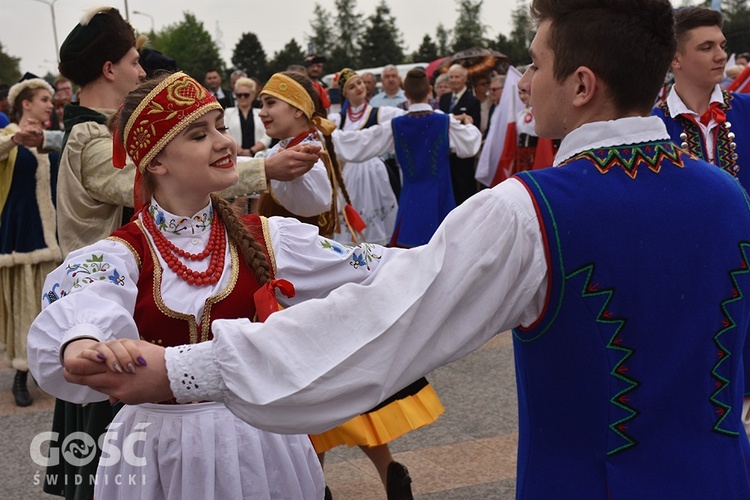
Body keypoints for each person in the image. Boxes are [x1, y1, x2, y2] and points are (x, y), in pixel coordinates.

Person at [60, 0, 750, 497]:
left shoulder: (534, 211)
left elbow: (379, 326)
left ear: (580, 83)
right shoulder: (729, 197)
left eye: (535, 64)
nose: (523, 83)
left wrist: (184, 371)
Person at [26, 70, 406, 499]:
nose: (225, 142)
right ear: (156, 162)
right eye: (199, 135)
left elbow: (376, 267)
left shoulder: (270, 238)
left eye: (221, 127)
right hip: (161, 452)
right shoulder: (121, 254)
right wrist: (82, 341)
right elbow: (83, 300)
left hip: (263, 444)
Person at [50, 7, 321, 499]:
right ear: (110, 68)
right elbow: (142, 183)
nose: (140, 70)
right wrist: (265, 167)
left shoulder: (266, 237)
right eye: (134, 61)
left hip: (224, 405)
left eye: (218, 128)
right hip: (121, 319)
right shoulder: (90, 141)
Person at [333, 68, 481, 247]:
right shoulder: (444, 122)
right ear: (429, 90)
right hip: (441, 199)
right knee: (444, 248)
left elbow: (360, 143)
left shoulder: (395, 125)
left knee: (411, 251)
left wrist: (322, 136)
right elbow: (470, 145)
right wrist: (469, 125)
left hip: (411, 200)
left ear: (406, 94)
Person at [0, 76, 61, 407]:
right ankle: (21, 374)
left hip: (51, 232)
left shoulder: (50, 138)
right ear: (25, 103)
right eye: (43, 99)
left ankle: (46, 367)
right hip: (21, 233)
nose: (49, 104)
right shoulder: (7, 135)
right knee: (24, 303)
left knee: (49, 303)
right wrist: (14, 142)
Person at [329, 68, 405, 245]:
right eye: (351, 86)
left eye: (359, 82)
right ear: (345, 93)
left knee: (377, 214)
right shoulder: (338, 118)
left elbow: (410, 117)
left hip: (374, 172)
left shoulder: (380, 112)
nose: (358, 88)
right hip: (348, 175)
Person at [438, 64, 481, 205]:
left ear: (464, 79)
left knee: (464, 193)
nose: (453, 80)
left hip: (462, 157)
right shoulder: (444, 99)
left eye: (457, 77)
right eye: (451, 77)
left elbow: (474, 128)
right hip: (445, 156)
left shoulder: (473, 101)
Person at [224, 77, 270, 157]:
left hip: (258, 156)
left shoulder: (261, 113)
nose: (242, 97)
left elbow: (267, 135)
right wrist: (239, 150)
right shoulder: (228, 113)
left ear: (253, 95)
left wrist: (252, 151)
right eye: (239, 95)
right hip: (235, 156)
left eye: (246, 95)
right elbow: (225, 133)